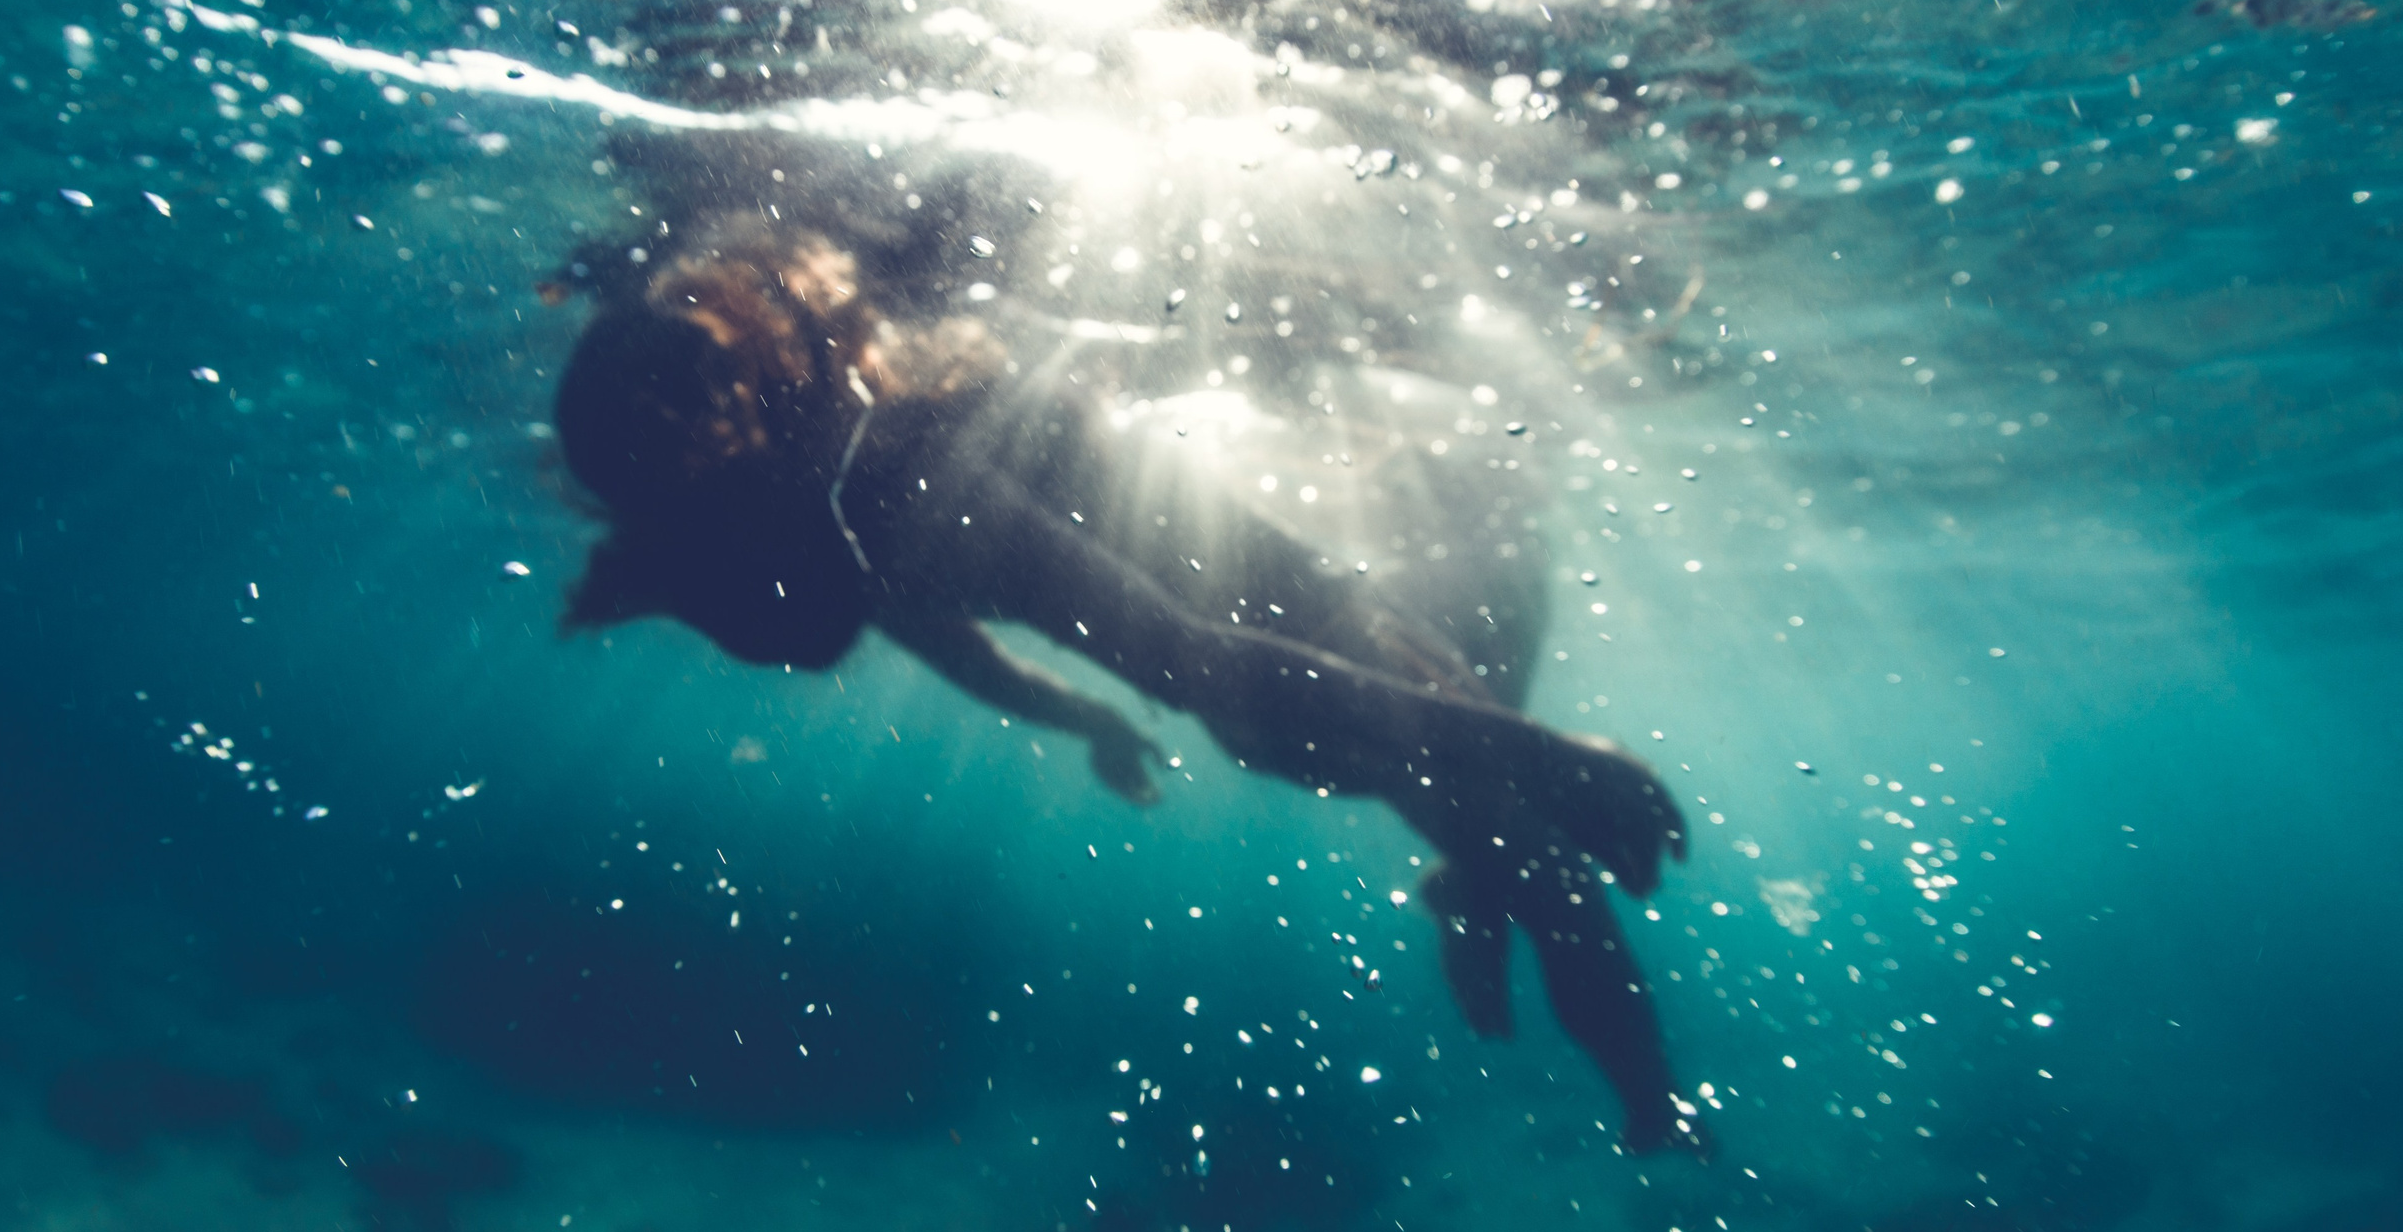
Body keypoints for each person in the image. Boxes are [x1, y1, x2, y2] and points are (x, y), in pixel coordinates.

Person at [553, 226, 1704, 1153]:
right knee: (1541, 852)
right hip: (1299, 664)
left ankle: (1484, 901)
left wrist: (1092, 718)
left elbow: (982, 644)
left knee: (1510, 817)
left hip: (1286, 671)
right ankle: (1647, 1106)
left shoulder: (842, 504)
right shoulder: (857, 503)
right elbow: (1169, 653)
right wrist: (1549, 754)